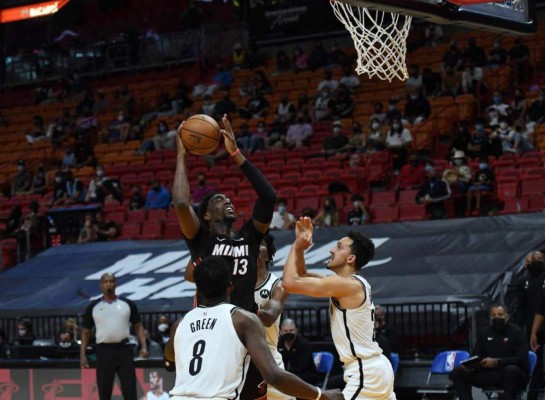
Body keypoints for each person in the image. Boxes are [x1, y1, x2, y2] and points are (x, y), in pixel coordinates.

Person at [173, 114, 276, 400]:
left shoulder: (249, 237)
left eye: (228, 199)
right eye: (219, 200)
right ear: (206, 214)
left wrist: (236, 154)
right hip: (215, 330)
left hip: (248, 328)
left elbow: (268, 196)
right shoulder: (202, 240)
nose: (227, 201)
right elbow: (181, 203)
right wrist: (182, 155)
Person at [164, 256, 341, 400]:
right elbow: (274, 376)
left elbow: (169, 361)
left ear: (198, 291)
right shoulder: (242, 320)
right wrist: (322, 394)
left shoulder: (179, 324)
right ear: (230, 287)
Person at [282, 217, 396, 399]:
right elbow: (301, 274)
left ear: (351, 258)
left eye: (339, 247)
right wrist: (302, 248)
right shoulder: (346, 284)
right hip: (372, 368)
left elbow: (289, 283)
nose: (331, 249)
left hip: (366, 371)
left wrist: (295, 246)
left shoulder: (349, 286)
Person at [81, 273, 148, 400]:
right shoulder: (93, 307)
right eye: (106, 282)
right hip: (104, 351)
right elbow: (86, 332)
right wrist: (82, 355)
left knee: (130, 390)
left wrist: (143, 346)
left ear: (116, 283)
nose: (109, 284)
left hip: (124, 350)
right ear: (101, 285)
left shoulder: (127, 304)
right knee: (104, 391)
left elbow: (138, 326)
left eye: (111, 281)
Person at [450, 304, 529, 400]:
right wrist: (470, 365)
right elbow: (476, 355)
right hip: (488, 373)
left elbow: (521, 358)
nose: (497, 317)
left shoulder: (517, 332)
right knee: (458, 371)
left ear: (507, 317)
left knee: (511, 370)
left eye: (500, 314)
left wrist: (498, 361)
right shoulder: (484, 332)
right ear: (490, 318)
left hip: (511, 373)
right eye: (494, 315)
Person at [254, 234, 292, 400]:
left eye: (260, 243)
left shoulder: (277, 286)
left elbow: (269, 317)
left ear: (268, 254)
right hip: (240, 356)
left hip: (268, 356)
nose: (254, 247)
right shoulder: (232, 283)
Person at [512, 251, 545, 400]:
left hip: (538, 324)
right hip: (533, 327)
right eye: (533, 259)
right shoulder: (523, 281)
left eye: (539, 259)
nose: (536, 261)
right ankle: (533, 392)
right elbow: (522, 306)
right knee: (535, 360)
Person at [277, 319, 319, 385]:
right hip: (285, 375)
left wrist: (284, 373)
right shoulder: (278, 344)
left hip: (305, 375)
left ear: (296, 330)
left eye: (291, 330)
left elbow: (302, 368)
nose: (288, 333)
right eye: (285, 331)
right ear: (281, 332)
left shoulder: (304, 344)